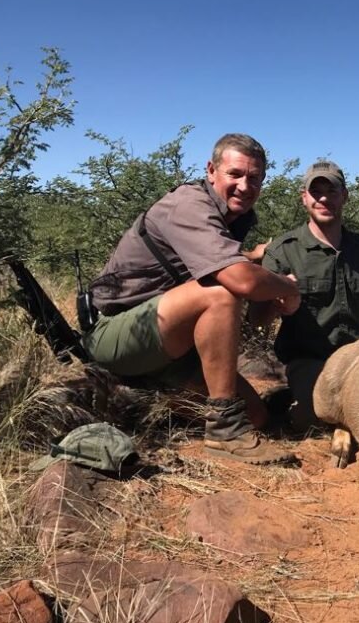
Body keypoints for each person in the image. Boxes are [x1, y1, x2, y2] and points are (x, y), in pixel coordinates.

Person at [84, 133, 301, 463]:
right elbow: (238, 280)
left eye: (254, 177)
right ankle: (224, 435)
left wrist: (252, 261)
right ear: (211, 170)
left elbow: (215, 261)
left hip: (169, 339)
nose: (245, 185)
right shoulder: (189, 204)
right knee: (220, 293)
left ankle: (160, 397)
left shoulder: (233, 215)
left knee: (256, 417)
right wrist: (288, 287)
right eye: (235, 174)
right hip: (119, 331)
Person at [256, 159, 359, 432]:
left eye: (332, 191)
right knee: (318, 417)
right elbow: (260, 318)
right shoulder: (284, 250)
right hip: (310, 361)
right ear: (304, 198)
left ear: (344, 196)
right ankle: (294, 397)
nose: (324, 199)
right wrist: (279, 303)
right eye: (316, 192)